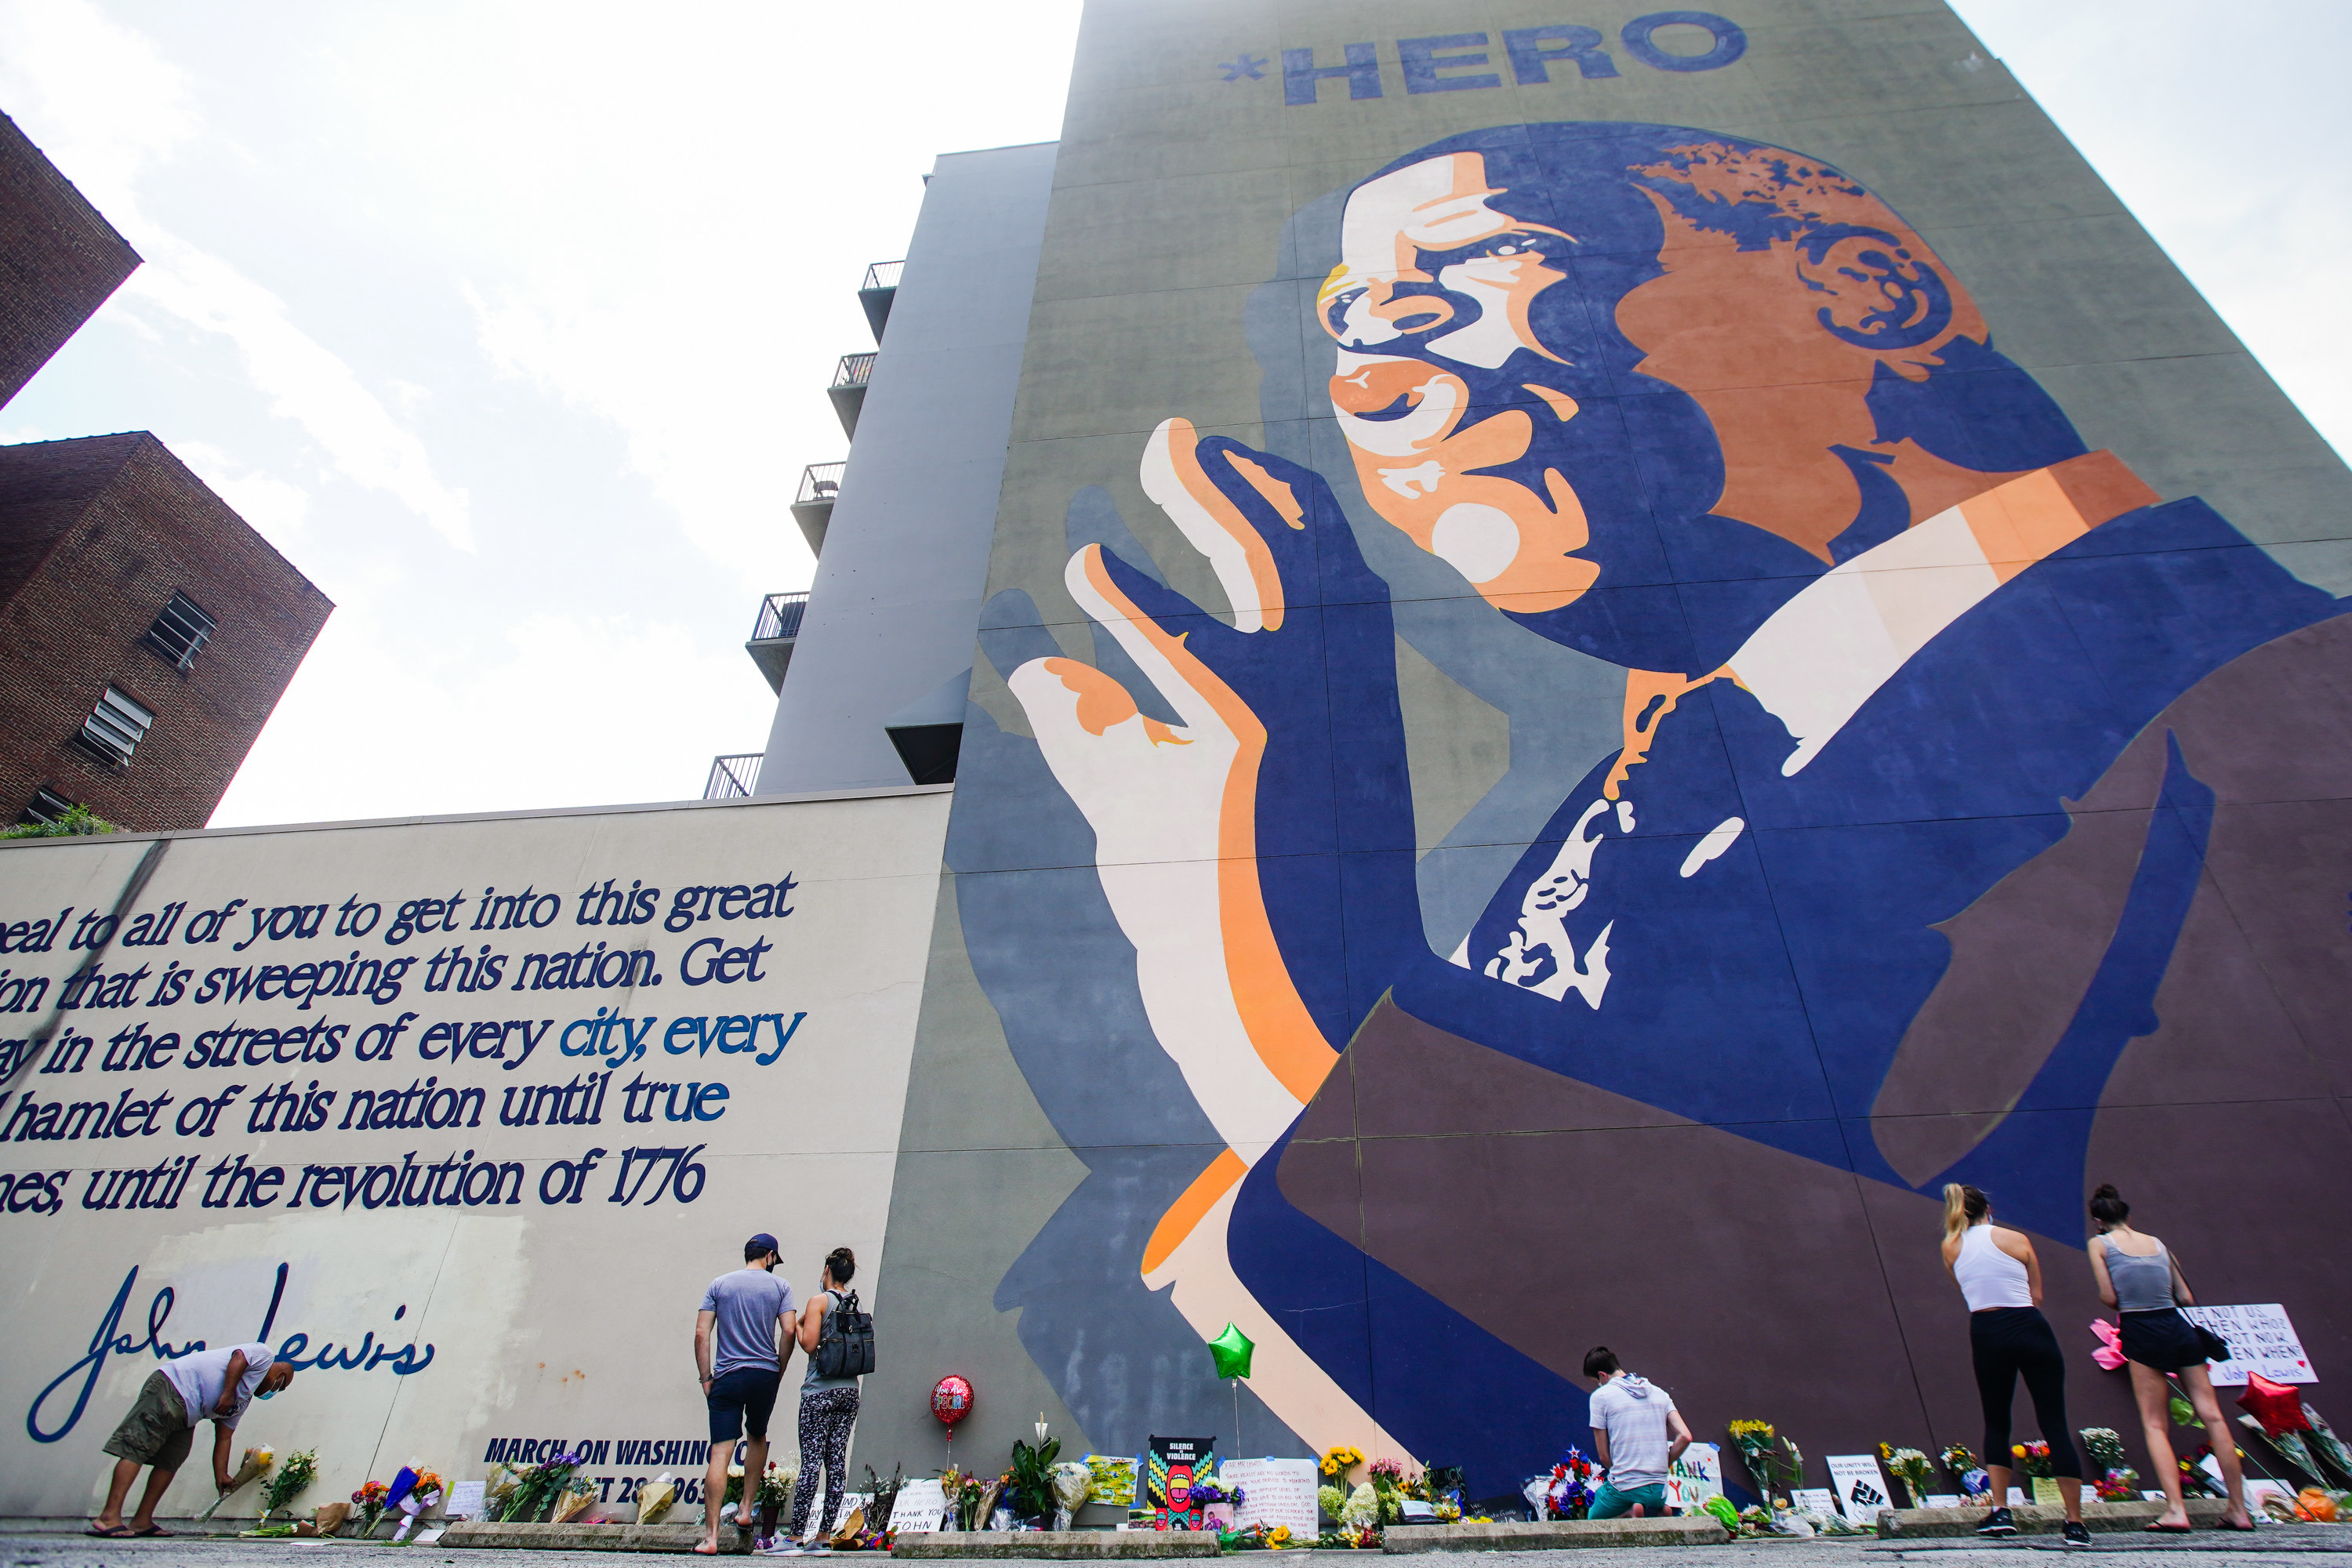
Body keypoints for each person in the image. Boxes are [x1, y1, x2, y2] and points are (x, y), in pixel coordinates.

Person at [982, 114, 2352, 1483]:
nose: (1375, 384)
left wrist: (1289, 1015)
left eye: (1458, 287)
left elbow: (1940, 1417)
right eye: (1350, 328)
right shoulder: (1675, 772)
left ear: (1870, 290)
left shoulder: (2279, 717)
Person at [2086, 1184, 2255, 1532]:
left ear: (2098, 1221)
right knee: (2214, 1417)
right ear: (2128, 1215)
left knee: (2154, 1423)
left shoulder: (2099, 1244)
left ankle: (2176, 1510)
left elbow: (2107, 1296)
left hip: (2140, 1328)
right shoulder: (2159, 1244)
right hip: (2177, 1327)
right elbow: (2186, 1297)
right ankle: (2239, 1509)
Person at [1940, 1184, 2087, 1546]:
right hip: (2030, 1327)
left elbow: (1966, 1288)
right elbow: (2036, 1295)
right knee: (2054, 1421)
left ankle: (2001, 1511)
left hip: (1987, 1330)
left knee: (1997, 1419)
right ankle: (2074, 1522)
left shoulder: (1950, 1246)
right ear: (1989, 1208)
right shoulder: (2015, 1238)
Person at [89, 1341, 293, 1538]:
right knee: (137, 1448)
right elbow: (239, 1357)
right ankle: (109, 1516)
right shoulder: (264, 1355)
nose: (274, 1392)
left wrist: (220, 1474)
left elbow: (224, 1436)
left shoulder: (242, 1400)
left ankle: (142, 1520)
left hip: (188, 1413)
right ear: (280, 1375)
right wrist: (227, 1393)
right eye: (280, 1387)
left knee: (171, 1460)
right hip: (172, 1387)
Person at [695, 1232, 797, 1556]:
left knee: (720, 1453)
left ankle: (711, 1538)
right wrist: (778, 1370)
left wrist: (706, 1378)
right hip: (763, 1374)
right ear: (768, 1256)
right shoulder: (780, 1287)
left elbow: (701, 1333)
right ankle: (744, 1509)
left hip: (726, 1374)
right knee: (757, 1436)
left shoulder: (719, 1285)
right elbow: (790, 1330)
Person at [779, 1247, 862, 1554]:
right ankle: (824, 1536)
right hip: (848, 1391)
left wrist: (798, 1325)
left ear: (827, 1270)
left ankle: (796, 1535)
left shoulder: (819, 1301)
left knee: (812, 1461)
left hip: (819, 1391)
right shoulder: (855, 1302)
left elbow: (810, 1344)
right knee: (836, 1462)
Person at [1583, 1347, 1690, 1520]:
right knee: (1646, 1495)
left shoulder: (1600, 1396)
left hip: (1626, 1487)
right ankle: (1653, 1508)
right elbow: (1685, 1436)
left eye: (1597, 1381)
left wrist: (1623, 1473)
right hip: (1659, 1489)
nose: (1598, 1385)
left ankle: (1629, 1512)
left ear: (1602, 1375)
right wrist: (1665, 1463)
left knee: (1593, 1521)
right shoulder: (1660, 1393)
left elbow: (1603, 1457)